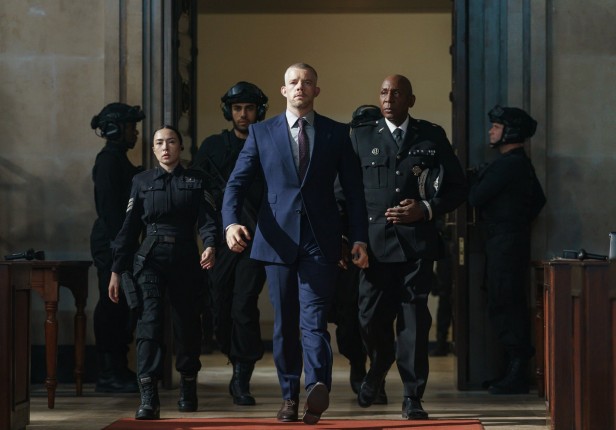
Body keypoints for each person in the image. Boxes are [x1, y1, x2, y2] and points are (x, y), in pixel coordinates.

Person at [222, 63, 369, 425]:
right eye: (293, 82)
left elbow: (354, 192)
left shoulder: (337, 133)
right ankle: (289, 396)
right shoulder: (261, 132)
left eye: (307, 82)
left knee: (314, 321)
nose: (300, 87)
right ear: (284, 90)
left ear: (316, 90)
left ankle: (317, 386)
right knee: (285, 322)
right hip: (277, 242)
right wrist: (230, 223)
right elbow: (236, 184)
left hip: (321, 241)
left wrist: (359, 237)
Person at [351, 75, 467, 420]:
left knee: (414, 321)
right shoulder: (361, 136)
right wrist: (351, 239)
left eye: (397, 93)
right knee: (369, 318)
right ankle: (379, 364)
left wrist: (426, 208)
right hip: (374, 247)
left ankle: (412, 396)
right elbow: (346, 193)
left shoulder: (431, 136)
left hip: (417, 245)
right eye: (384, 92)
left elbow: (458, 188)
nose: (388, 98)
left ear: (410, 100)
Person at [108, 125, 220, 420]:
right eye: (159, 143)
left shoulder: (197, 180)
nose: (165, 147)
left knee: (187, 325)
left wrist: (210, 245)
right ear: (153, 149)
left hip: (185, 258)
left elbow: (208, 220)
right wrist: (117, 270)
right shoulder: (141, 181)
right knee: (150, 323)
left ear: (180, 147)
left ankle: (188, 386)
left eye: (171, 142)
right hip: (150, 260)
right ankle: (149, 396)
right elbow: (129, 228)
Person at [193, 81, 269, 406]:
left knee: (244, 306)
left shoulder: (268, 143)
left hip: (256, 241)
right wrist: (210, 235)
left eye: (249, 108)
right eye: (237, 108)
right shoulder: (213, 147)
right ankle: (231, 353)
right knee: (219, 307)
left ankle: (241, 376)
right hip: (220, 242)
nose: (243, 114)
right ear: (229, 111)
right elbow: (197, 194)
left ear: (258, 111)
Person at [468, 105, 546, 395]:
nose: (491, 131)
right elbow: (539, 200)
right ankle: (513, 370)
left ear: (510, 132)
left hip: (504, 242)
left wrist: (475, 178)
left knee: (504, 302)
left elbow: (475, 197)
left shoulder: (507, 164)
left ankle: (517, 372)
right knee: (506, 300)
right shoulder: (519, 163)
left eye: (497, 127)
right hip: (509, 240)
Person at [329, 104, 387, 403]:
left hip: (385, 247)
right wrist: (341, 241)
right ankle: (358, 365)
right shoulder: (346, 156)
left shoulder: (390, 154)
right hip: (352, 248)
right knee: (349, 315)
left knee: (378, 316)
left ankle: (377, 374)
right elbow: (338, 201)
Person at [89, 102, 145, 393]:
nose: (135, 132)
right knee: (112, 304)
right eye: (130, 127)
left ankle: (118, 368)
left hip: (120, 242)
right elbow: (111, 211)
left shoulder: (117, 160)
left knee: (122, 305)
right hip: (112, 243)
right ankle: (109, 373)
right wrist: (121, 250)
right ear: (115, 129)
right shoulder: (108, 161)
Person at [429, 215, 454, 357]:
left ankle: (442, 343)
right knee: (445, 299)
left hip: (450, 252)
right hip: (445, 254)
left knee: (447, 299)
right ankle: (441, 342)